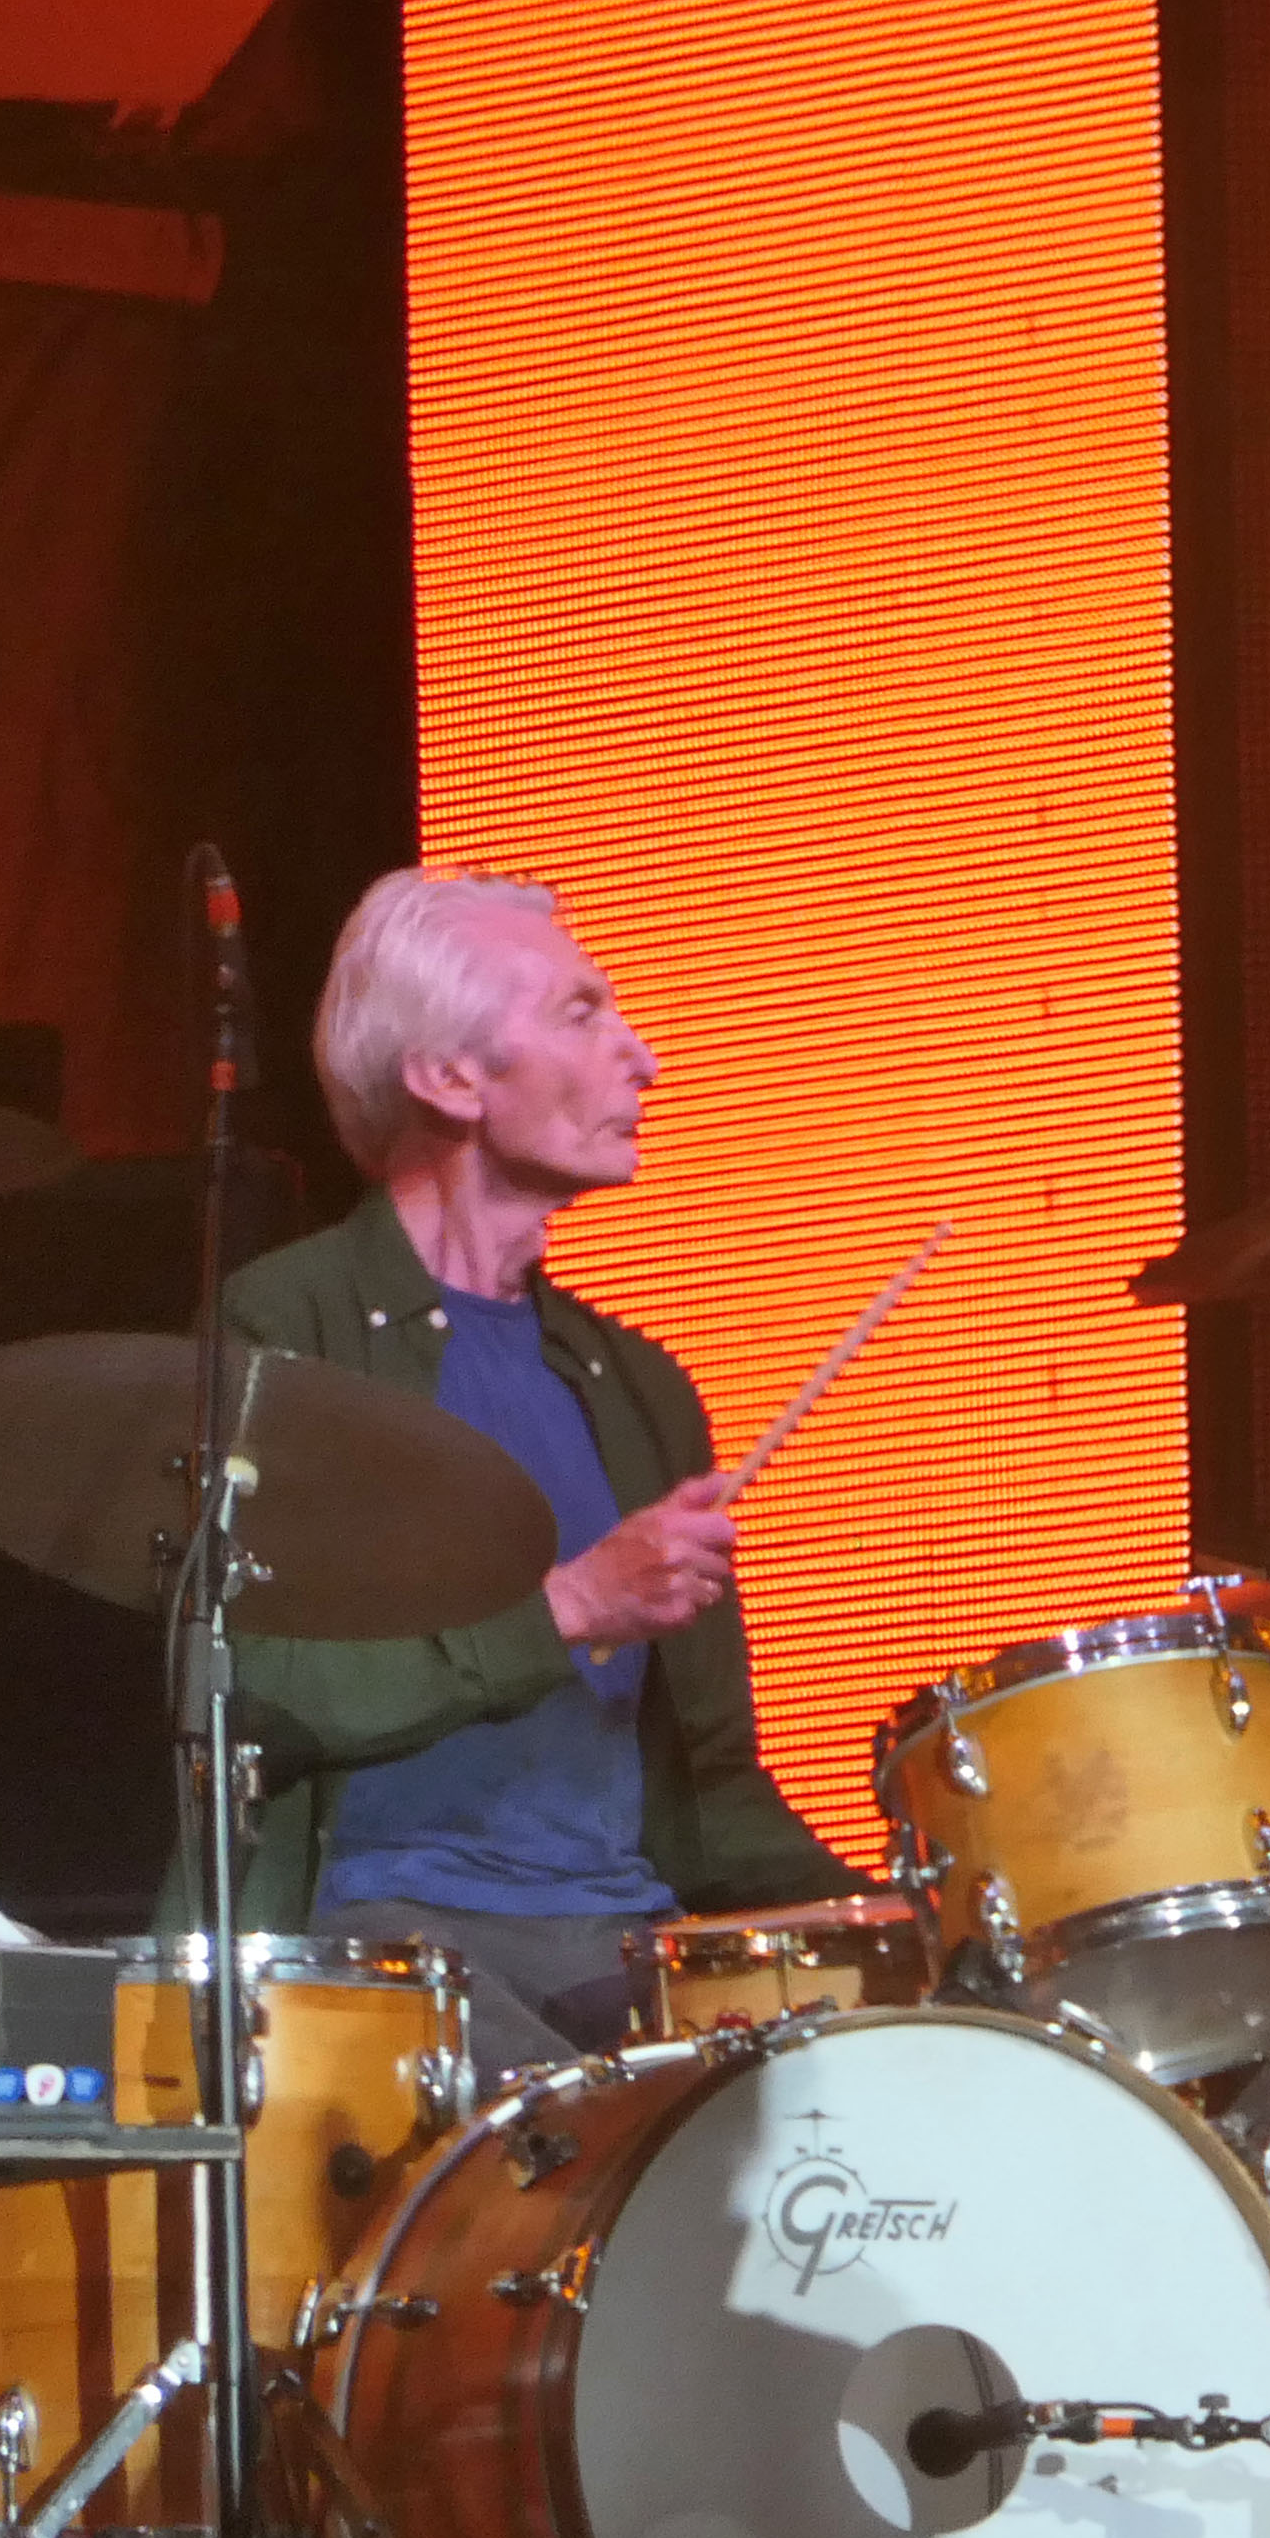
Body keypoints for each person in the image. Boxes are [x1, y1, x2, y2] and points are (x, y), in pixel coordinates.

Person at [217, 867, 857, 2060]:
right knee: (609, 2141)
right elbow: (259, 1690)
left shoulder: (640, 1388)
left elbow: (713, 1786)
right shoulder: (292, 1325)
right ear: (448, 1077)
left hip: (626, 1939)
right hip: (382, 1943)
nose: (643, 1058)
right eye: (581, 1013)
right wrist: (569, 1606)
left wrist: (912, 1917)